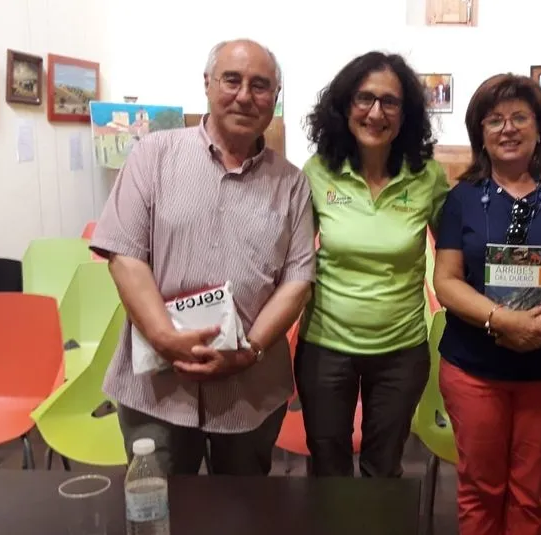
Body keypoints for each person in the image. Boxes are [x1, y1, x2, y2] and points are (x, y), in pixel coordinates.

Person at [89, 38, 315, 476]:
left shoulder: (292, 184)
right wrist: (164, 338)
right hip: (156, 384)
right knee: (159, 506)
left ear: (275, 99)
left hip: (249, 388)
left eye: (261, 85)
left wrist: (248, 352)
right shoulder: (152, 156)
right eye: (232, 79)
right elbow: (125, 257)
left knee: (243, 511)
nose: (245, 95)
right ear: (208, 84)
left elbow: (296, 281)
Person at [433, 73, 541, 535]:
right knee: (479, 489)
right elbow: (445, 280)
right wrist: (502, 320)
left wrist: (540, 324)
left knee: (531, 495)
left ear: (540, 128)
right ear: (480, 135)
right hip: (474, 369)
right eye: (494, 120)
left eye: (519, 117)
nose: (507, 128)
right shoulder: (463, 198)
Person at [296, 51, 449, 478]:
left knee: (383, 469)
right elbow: (290, 257)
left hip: (401, 350)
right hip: (325, 347)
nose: (375, 112)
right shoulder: (317, 172)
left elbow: (460, 250)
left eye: (390, 102)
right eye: (364, 99)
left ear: (406, 114)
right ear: (345, 106)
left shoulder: (427, 177)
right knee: (328, 468)